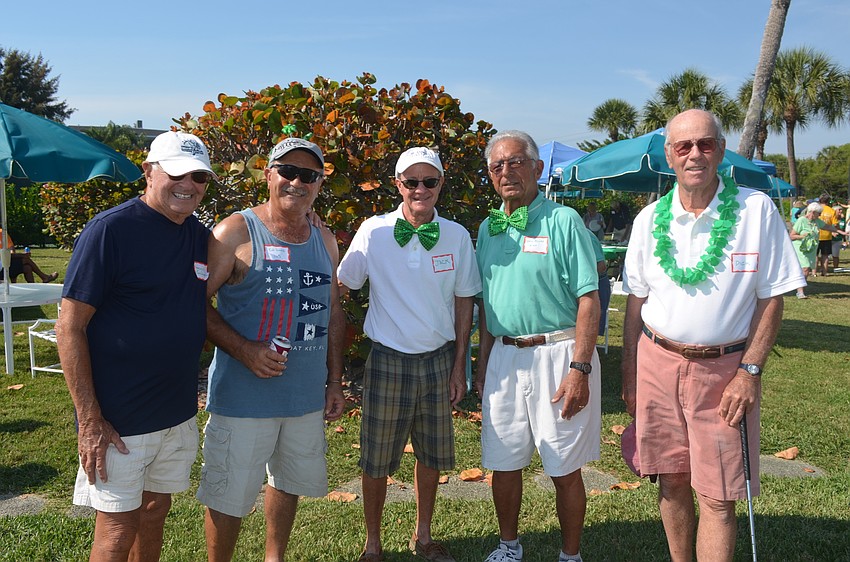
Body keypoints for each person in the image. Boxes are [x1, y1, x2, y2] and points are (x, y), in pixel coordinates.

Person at [621, 109, 806, 562]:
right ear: (669, 155)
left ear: (721, 150)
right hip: (657, 361)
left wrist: (750, 371)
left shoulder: (754, 209)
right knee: (670, 480)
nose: (695, 155)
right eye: (683, 146)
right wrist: (629, 372)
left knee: (719, 494)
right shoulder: (648, 219)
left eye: (705, 144)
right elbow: (635, 303)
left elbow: (773, 297)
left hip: (726, 370)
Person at [56, 131, 214, 561]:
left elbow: (243, 252)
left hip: (176, 412)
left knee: (154, 508)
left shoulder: (197, 235)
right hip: (118, 418)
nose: (189, 184)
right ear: (148, 172)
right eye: (177, 172)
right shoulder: (111, 230)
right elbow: (69, 327)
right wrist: (89, 420)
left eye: (199, 177)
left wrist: (303, 217)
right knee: (117, 528)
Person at [196, 137, 345, 562]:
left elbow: (333, 311)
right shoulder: (235, 231)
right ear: (268, 174)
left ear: (318, 184)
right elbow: (195, 305)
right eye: (289, 171)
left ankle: (273, 557)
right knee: (229, 493)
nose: (298, 182)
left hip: (303, 396)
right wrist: (244, 350)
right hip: (243, 398)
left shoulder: (324, 237)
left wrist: (334, 380)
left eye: (309, 175)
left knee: (288, 481)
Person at [337, 146, 481, 562]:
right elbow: (343, 283)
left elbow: (464, 301)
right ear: (397, 184)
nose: (421, 189)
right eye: (412, 181)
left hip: (438, 360)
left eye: (429, 181)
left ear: (441, 185)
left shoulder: (455, 235)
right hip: (387, 359)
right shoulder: (374, 230)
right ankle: (373, 544)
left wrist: (460, 366)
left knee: (431, 455)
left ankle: (423, 536)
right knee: (375, 459)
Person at [475, 130, 601, 562]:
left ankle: (570, 555)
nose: (506, 172)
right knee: (503, 460)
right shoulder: (487, 228)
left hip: (558, 355)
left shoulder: (564, 221)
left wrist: (579, 368)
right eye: (497, 166)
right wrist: (482, 361)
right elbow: (487, 303)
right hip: (504, 358)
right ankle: (509, 546)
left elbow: (590, 298)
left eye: (515, 162)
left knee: (563, 465)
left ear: (537, 168)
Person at [790, 202, 846, 299]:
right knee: (805, 268)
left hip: (811, 249)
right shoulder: (801, 221)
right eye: (818, 213)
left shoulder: (817, 221)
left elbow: (827, 227)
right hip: (801, 249)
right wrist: (801, 236)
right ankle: (800, 292)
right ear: (812, 212)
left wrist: (839, 231)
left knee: (807, 269)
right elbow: (791, 236)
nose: (820, 215)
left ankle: (800, 288)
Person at [816, 193, 837, 276]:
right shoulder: (832, 211)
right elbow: (835, 224)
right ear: (828, 201)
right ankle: (824, 272)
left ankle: (814, 272)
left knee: (815, 255)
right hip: (827, 236)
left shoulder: (816, 209)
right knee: (825, 255)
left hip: (815, 235)